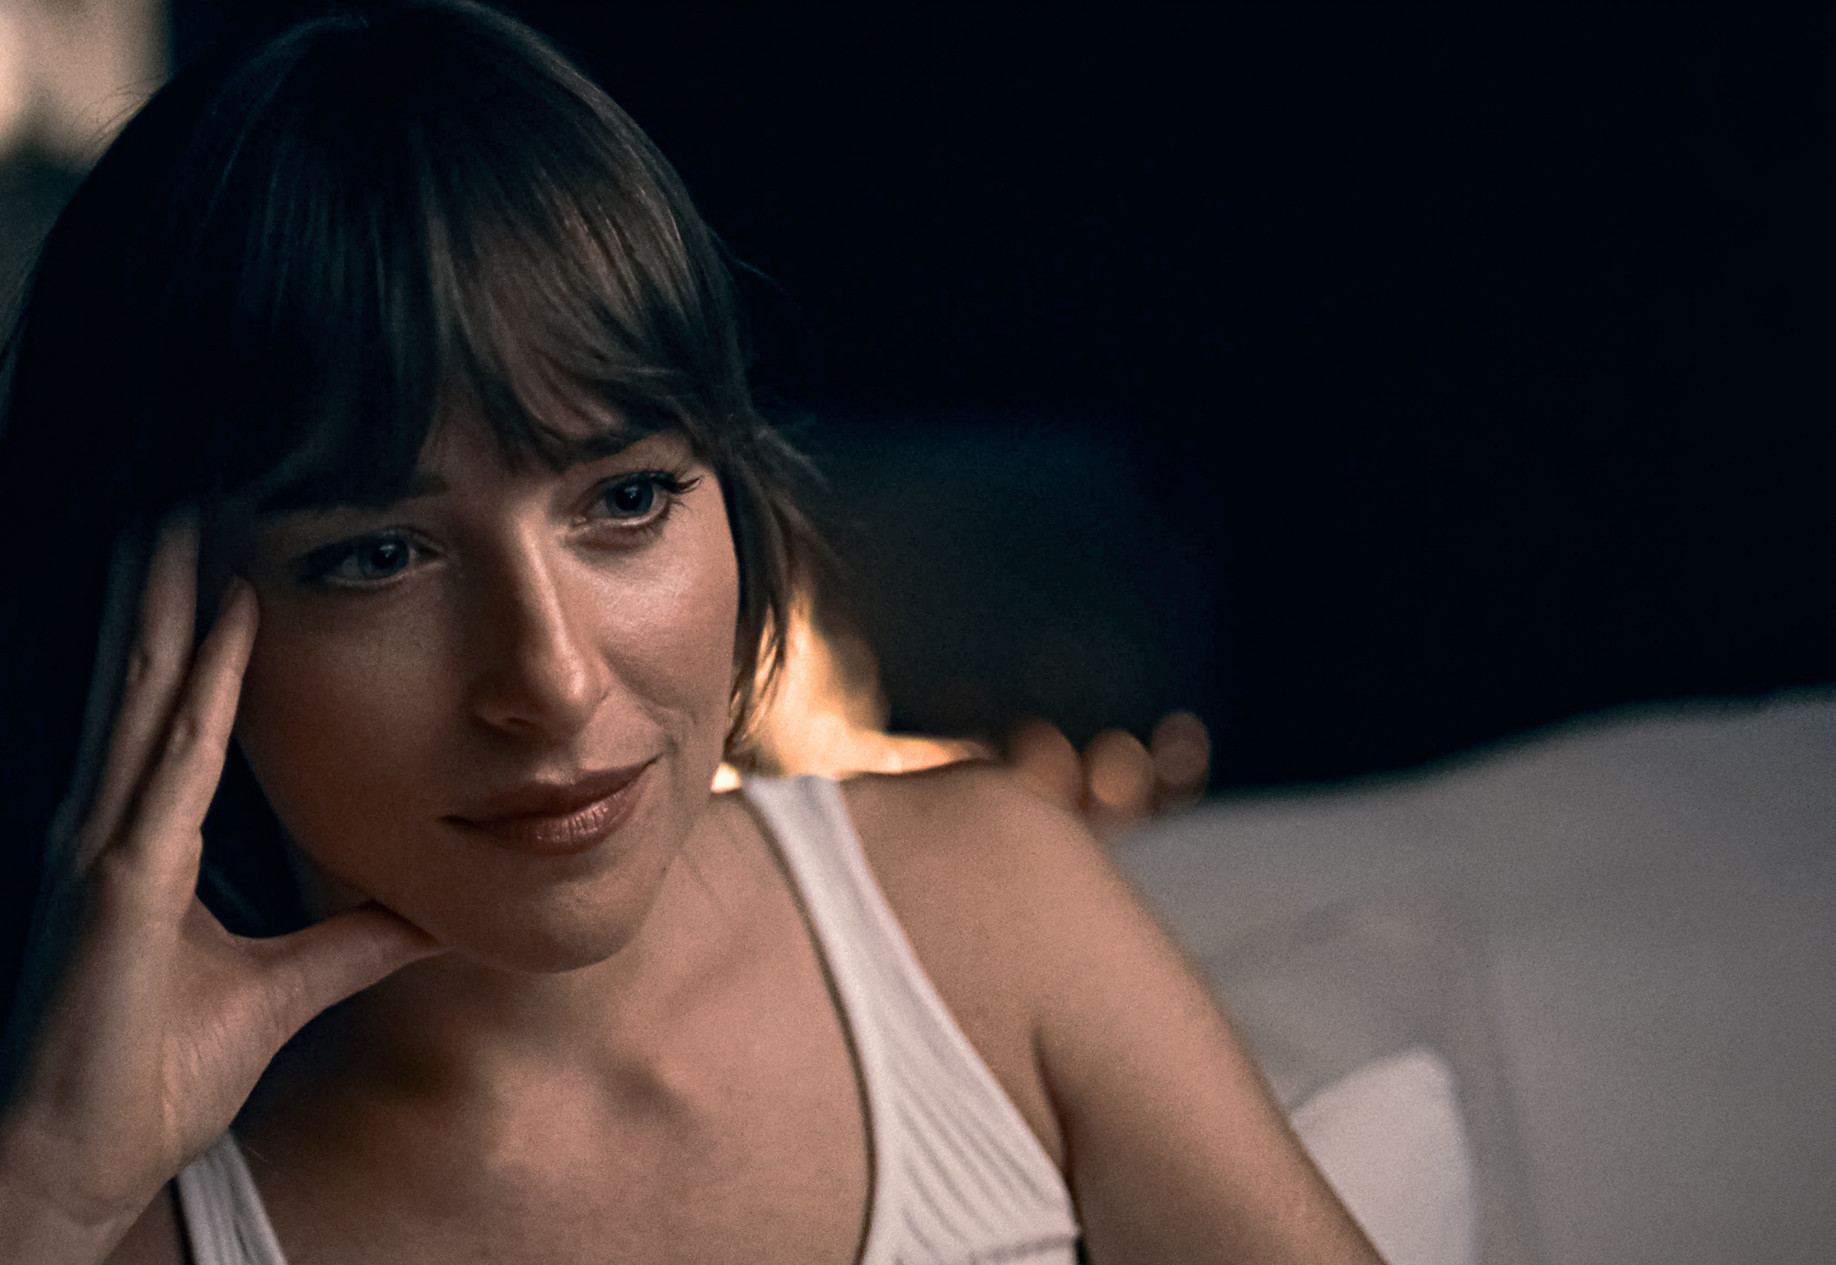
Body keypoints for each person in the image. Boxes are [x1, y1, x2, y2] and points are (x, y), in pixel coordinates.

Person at [0, 4, 1384, 1262]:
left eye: (627, 497)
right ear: (146, 624)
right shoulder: (116, 1212)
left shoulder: (981, 915)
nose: (553, 679)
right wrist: (51, 1185)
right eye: (379, 557)